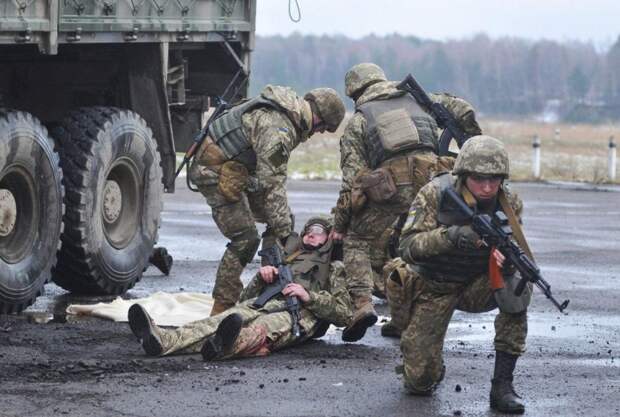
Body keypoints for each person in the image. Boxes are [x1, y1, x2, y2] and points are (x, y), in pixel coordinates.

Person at [331, 63, 482, 342]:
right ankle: (406, 317)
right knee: (416, 244)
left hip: (390, 190)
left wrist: (340, 224)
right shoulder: (420, 100)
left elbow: (352, 181)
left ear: (355, 92)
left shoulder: (359, 120)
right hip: (433, 184)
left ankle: (362, 305)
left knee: (357, 239)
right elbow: (463, 109)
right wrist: (473, 140)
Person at [396, 135, 531, 414]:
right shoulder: (435, 193)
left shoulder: (509, 202)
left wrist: (506, 262)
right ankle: (430, 364)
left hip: (476, 284)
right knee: (419, 382)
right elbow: (407, 247)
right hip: (434, 285)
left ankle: (503, 386)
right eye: (479, 179)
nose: (487, 187)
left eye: (494, 179)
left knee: (516, 290)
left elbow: (512, 247)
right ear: (463, 174)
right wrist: (451, 236)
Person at [189, 85, 346, 316]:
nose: (319, 133)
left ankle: (271, 278)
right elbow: (272, 184)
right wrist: (285, 235)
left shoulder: (286, 114)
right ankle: (222, 306)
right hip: (213, 172)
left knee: (281, 218)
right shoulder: (279, 128)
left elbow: (269, 184)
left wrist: (282, 226)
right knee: (245, 239)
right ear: (318, 117)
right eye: (323, 128)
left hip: (236, 170)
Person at [127, 216, 352, 361]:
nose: (311, 233)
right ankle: (163, 341)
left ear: (328, 238)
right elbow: (246, 298)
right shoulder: (288, 260)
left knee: (261, 329)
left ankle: (223, 347)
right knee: (219, 321)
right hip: (264, 303)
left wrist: (309, 296)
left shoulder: (333, 268)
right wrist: (261, 278)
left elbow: (344, 315)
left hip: (298, 316)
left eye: (318, 231)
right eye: (308, 230)